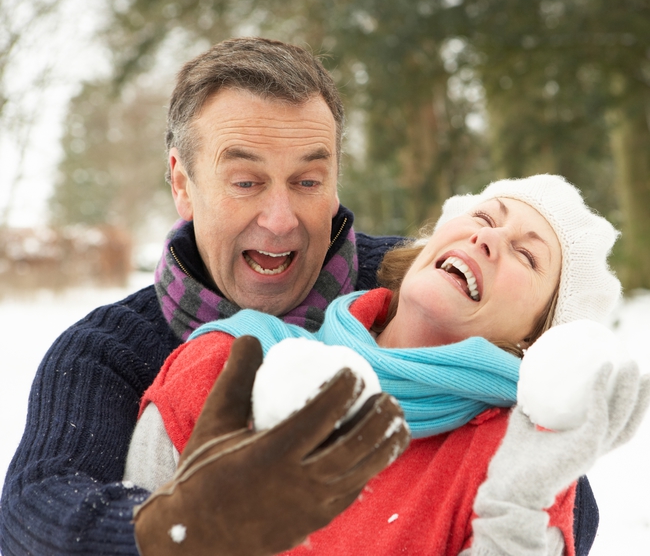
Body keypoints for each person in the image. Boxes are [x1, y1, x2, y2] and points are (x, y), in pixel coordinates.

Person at [0, 37, 411, 555]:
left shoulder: (411, 284)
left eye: (308, 181)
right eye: (245, 182)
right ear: (182, 184)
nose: (280, 219)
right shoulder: (107, 355)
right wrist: (179, 528)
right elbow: (34, 513)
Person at [126, 174, 650, 555]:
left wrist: (516, 504)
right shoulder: (231, 361)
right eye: (485, 217)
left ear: (536, 335)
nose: (489, 238)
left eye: (527, 255)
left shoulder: (517, 464)